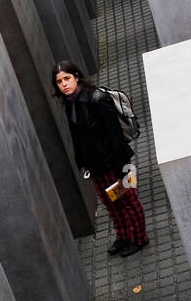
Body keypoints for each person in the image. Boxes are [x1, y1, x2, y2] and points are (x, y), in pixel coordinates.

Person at [52, 61, 149, 257]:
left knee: (128, 200)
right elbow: (78, 137)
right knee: (111, 204)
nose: (64, 84)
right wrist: (82, 162)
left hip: (114, 163)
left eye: (67, 78)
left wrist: (122, 167)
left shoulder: (96, 99)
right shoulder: (70, 104)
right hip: (96, 167)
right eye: (59, 82)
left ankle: (139, 238)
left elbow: (115, 135)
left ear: (76, 77)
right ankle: (123, 236)